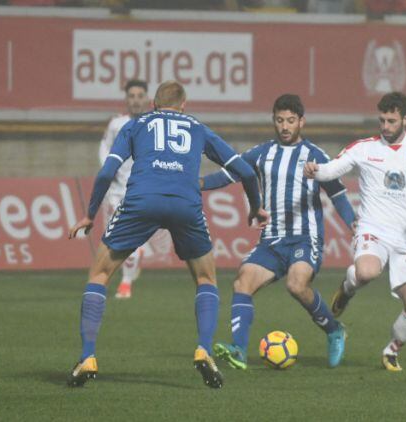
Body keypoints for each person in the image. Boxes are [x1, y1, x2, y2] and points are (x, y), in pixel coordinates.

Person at [66, 80, 268, 389]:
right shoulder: (197, 127)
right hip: (185, 205)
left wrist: (90, 214)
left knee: (100, 274)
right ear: (184, 105)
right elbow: (246, 171)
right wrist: (256, 208)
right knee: (206, 279)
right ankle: (203, 348)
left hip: (140, 202)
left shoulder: (135, 125)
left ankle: (88, 356)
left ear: (153, 104)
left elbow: (107, 172)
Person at [200, 94, 355, 369]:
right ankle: (238, 349)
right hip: (272, 239)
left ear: (301, 122)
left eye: (291, 121)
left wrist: (353, 224)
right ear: (274, 121)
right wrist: (198, 183)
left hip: (306, 238)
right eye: (280, 120)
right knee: (243, 280)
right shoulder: (262, 153)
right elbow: (230, 174)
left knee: (296, 284)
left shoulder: (315, 156)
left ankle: (333, 330)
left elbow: (338, 193)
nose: (285, 126)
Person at [304, 91, 406, 371]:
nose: (385, 127)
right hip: (373, 229)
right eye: (382, 120)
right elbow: (332, 169)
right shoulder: (364, 148)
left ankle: (392, 350)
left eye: (391, 121)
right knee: (367, 271)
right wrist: (315, 170)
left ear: (405, 119)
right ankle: (346, 289)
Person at [98, 79, 149, 299]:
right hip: (118, 190)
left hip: (144, 191)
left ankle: (126, 283)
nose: (136, 100)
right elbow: (104, 148)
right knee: (115, 238)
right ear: (126, 99)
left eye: (140, 96)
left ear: (146, 99)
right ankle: (127, 267)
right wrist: (108, 170)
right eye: (132, 96)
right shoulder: (116, 124)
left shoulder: (154, 123)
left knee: (132, 238)